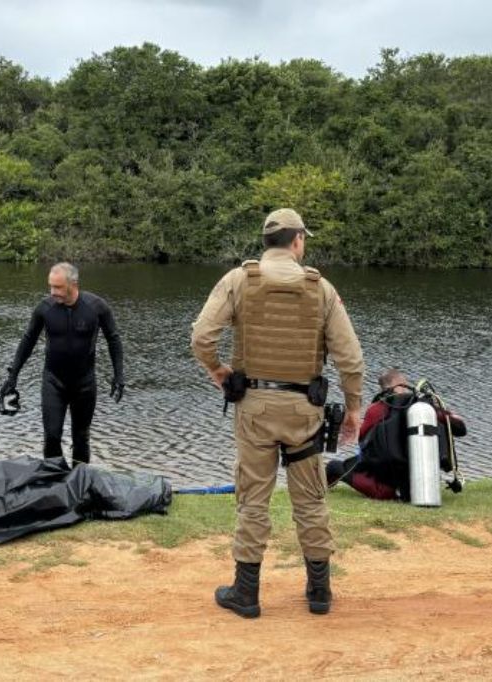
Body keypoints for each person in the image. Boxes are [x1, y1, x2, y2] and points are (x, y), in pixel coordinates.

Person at [191, 208, 365, 618]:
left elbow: (201, 337)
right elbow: (351, 359)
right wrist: (354, 408)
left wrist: (218, 370)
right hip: (305, 411)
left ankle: (246, 593)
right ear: (298, 240)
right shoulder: (320, 288)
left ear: (267, 241)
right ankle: (319, 591)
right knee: (310, 500)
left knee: (253, 499)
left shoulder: (240, 280)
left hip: (254, 408)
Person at [0, 262, 124, 466]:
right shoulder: (45, 309)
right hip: (53, 382)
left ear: (73, 284)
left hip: (84, 384)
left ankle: (79, 484)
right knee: (52, 437)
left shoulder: (96, 307)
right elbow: (28, 340)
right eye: (50, 286)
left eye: (57, 287)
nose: (52, 292)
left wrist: (118, 374)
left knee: (81, 439)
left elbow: (114, 339)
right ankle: (56, 485)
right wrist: (13, 375)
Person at [326, 368, 467, 501]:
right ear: (404, 384)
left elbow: (363, 442)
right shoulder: (423, 408)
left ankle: (322, 490)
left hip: (386, 490)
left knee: (334, 466)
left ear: (383, 388)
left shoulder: (375, 410)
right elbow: (461, 429)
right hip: (425, 486)